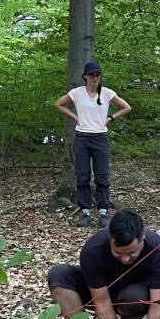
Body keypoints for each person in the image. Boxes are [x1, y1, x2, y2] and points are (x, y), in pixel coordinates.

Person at [56, 60, 131, 227]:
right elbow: (59, 104)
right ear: (85, 76)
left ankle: (103, 212)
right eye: (91, 75)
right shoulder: (77, 93)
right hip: (82, 137)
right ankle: (85, 212)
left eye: (97, 75)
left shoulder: (106, 93)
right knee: (82, 176)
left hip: (100, 138)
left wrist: (110, 119)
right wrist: (75, 117)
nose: (95, 78)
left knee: (102, 176)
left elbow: (126, 107)